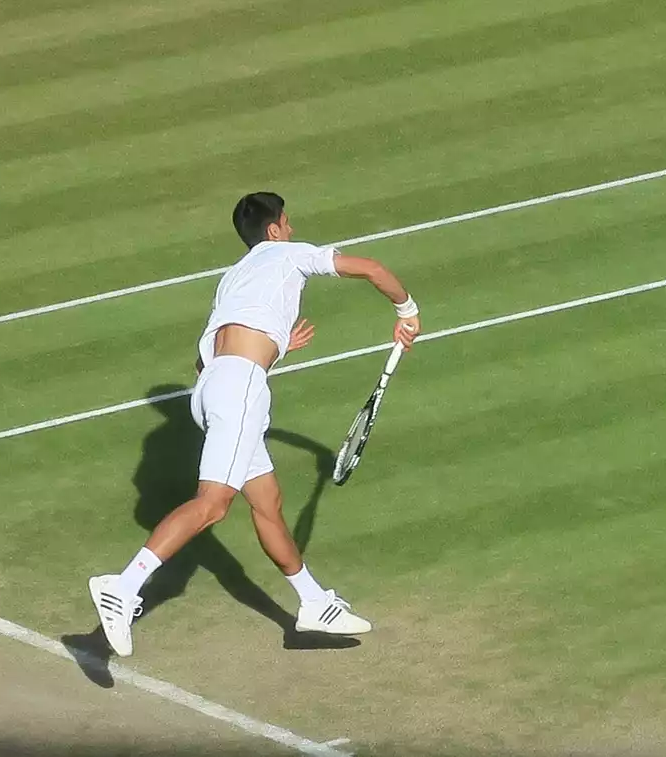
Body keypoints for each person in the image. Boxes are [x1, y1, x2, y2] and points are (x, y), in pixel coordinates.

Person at [87, 192, 421, 657]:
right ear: (274, 229)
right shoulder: (290, 254)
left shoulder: (235, 277)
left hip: (211, 389)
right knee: (212, 505)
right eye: (287, 222)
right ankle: (123, 587)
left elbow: (211, 359)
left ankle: (313, 602)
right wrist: (407, 311)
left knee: (267, 502)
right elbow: (370, 268)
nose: (292, 229)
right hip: (240, 389)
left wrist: (277, 346)